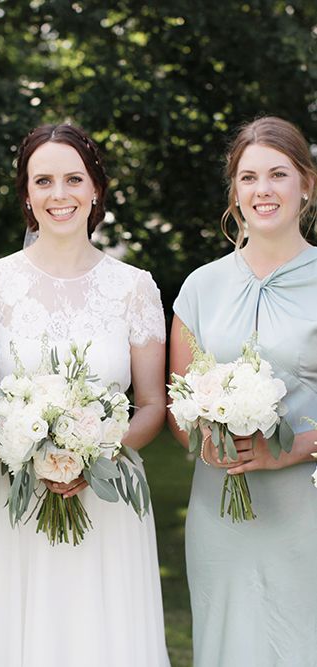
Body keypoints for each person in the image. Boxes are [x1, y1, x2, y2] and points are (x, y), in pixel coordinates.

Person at [0, 123, 170, 666]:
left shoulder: (134, 287)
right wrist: (27, 446)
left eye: (73, 179)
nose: (59, 195)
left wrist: (94, 455)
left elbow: (153, 404)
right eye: (43, 182)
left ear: (96, 190)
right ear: (27, 196)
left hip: (108, 495)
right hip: (18, 494)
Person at [168, 116, 317, 666]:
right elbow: (177, 404)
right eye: (249, 177)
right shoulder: (201, 286)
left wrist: (293, 448)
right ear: (235, 191)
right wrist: (204, 435)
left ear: (307, 182)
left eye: (278, 174)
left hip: (307, 506)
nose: (263, 190)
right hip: (222, 509)